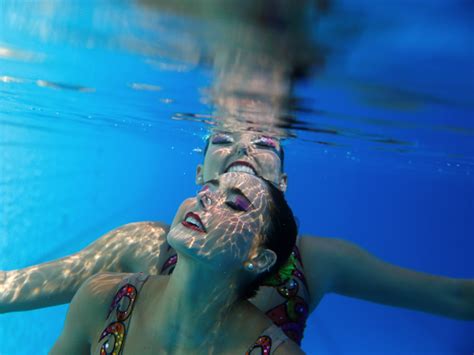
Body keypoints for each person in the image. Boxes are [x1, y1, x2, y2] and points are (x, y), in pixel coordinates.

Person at [2, 130, 473, 346]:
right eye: (222, 140)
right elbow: (16, 286)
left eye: (266, 144)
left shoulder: (319, 260)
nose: (243, 149)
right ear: (199, 172)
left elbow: (453, 296)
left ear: (282, 182)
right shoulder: (140, 248)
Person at [51, 172, 303, 354]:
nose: (205, 199)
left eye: (233, 204)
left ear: (258, 259)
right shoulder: (102, 299)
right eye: (207, 189)